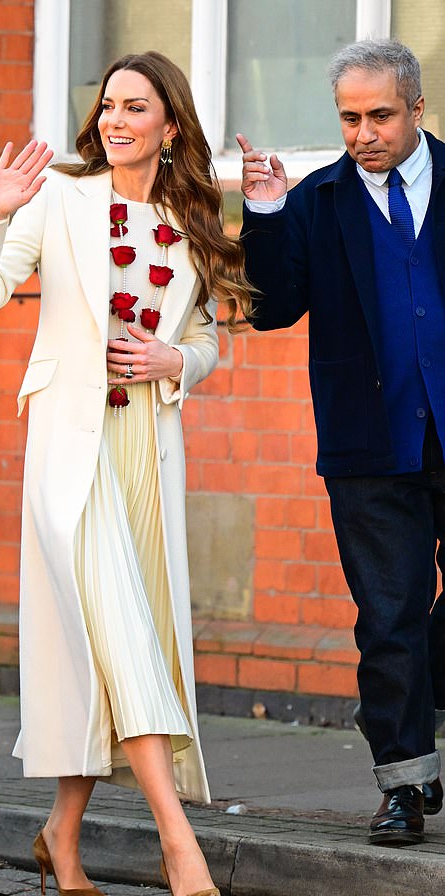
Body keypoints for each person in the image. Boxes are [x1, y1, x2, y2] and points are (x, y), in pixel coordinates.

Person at [0, 50, 252, 896]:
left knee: (116, 642)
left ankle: (63, 835)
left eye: (136, 107)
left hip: (144, 453)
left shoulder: (192, 217)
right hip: (68, 451)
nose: (116, 119)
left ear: (169, 124)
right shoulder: (60, 199)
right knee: (123, 628)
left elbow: (206, 339)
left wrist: (174, 360)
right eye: (108, 105)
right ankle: (177, 839)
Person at [237, 38, 445, 846]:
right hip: (370, 447)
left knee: (409, 637)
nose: (363, 133)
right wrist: (262, 212)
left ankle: (417, 685)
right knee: (387, 617)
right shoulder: (318, 201)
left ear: (417, 110)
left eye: (380, 116)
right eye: (350, 118)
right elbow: (272, 307)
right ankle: (403, 782)